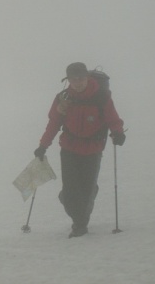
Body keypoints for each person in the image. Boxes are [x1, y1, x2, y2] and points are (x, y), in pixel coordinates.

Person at [34, 62, 126, 238]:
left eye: (81, 78)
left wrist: (118, 133)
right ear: (67, 79)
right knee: (70, 193)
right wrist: (43, 145)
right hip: (69, 149)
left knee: (84, 191)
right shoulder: (63, 98)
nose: (78, 82)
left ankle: (80, 224)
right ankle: (79, 218)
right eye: (73, 79)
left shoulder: (101, 96)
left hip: (93, 149)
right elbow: (53, 124)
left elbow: (113, 118)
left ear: (87, 77)